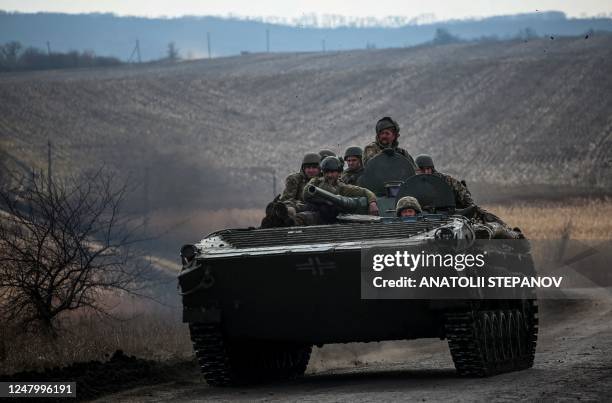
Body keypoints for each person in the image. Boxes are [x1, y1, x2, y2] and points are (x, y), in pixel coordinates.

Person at [296, 156, 379, 225]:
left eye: (332, 172)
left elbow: (365, 191)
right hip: (312, 211)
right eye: (326, 172)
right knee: (296, 214)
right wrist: (324, 199)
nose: (329, 175)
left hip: (328, 218)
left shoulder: (343, 187)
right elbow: (305, 194)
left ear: (339, 173)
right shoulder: (316, 182)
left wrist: (372, 203)